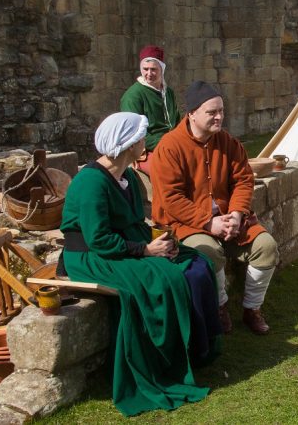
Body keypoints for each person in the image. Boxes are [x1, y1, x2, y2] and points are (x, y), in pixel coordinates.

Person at [59, 112, 221, 416]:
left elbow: (135, 222)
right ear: (128, 144)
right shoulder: (91, 182)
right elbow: (99, 240)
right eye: (140, 137)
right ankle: (159, 363)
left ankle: (198, 348)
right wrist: (146, 251)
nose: (144, 141)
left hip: (125, 244)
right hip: (92, 257)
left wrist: (163, 244)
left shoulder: (129, 176)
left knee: (196, 260)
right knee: (162, 279)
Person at [150, 81, 279, 335]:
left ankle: (252, 309)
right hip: (184, 224)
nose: (219, 116)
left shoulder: (228, 143)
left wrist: (236, 214)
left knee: (266, 247)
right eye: (212, 112)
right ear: (192, 114)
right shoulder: (169, 147)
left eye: (221, 110)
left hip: (228, 218)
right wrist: (209, 222)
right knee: (209, 253)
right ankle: (220, 307)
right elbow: (171, 198)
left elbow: (243, 179)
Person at [120, 45, 181, 174]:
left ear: (162, 69)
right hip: (145, 149)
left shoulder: (168, 92)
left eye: (153, 69)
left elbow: (176, 121)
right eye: (145, 69)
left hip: (173, 144)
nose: (149, 73)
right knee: (168, 171)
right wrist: (169, 144)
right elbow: (134, 133)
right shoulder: (133, 96)